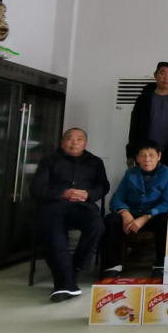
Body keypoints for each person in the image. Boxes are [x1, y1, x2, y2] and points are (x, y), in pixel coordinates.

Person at [31, 128, 109, 302]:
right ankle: (65, 285)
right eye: (70, 139)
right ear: (62, 142)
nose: (74, 142)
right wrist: (62, 193)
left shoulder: (95, 162)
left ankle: (73, 269)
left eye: (79, 139)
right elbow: (36, 188)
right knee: (54, 234)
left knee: (97, 225)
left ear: (85, 143)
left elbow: (103, 186)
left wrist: (88, 194)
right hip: (54, 206)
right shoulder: (49, 160)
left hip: (83, 206)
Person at [102, 141, 168, 279]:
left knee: (166, 221)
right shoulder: (130, 173)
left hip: (154, 216)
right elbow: (117, 198)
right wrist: (124, 213)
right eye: (143, 155)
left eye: (151, 155)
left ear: (159, 156)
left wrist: (146, 217)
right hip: (131, 214)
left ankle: (160, 266)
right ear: (137, 158)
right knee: (110, 220)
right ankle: (112, 266)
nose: (147, 159)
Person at [126, 62, 168, 172]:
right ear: (155, 75)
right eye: (162, 73)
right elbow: (134, 127)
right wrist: (131, 153)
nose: (166, 77)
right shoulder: (143, 99)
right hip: (146, 153)